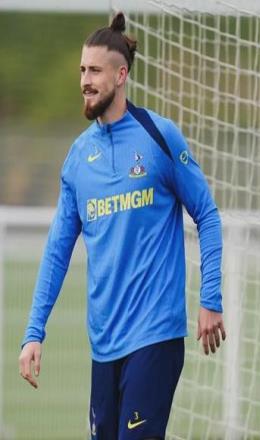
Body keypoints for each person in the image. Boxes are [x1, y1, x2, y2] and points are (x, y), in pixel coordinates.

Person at [19, 12, 226, 439]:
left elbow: (206, 214)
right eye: (82, 70)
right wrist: (33, 332)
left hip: (155, 335)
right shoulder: (78, 158)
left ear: (121, 75)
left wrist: (210, 297)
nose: (85, 81)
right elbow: (57, 250)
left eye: (95, 71)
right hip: (104, 344)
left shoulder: (159, 136)